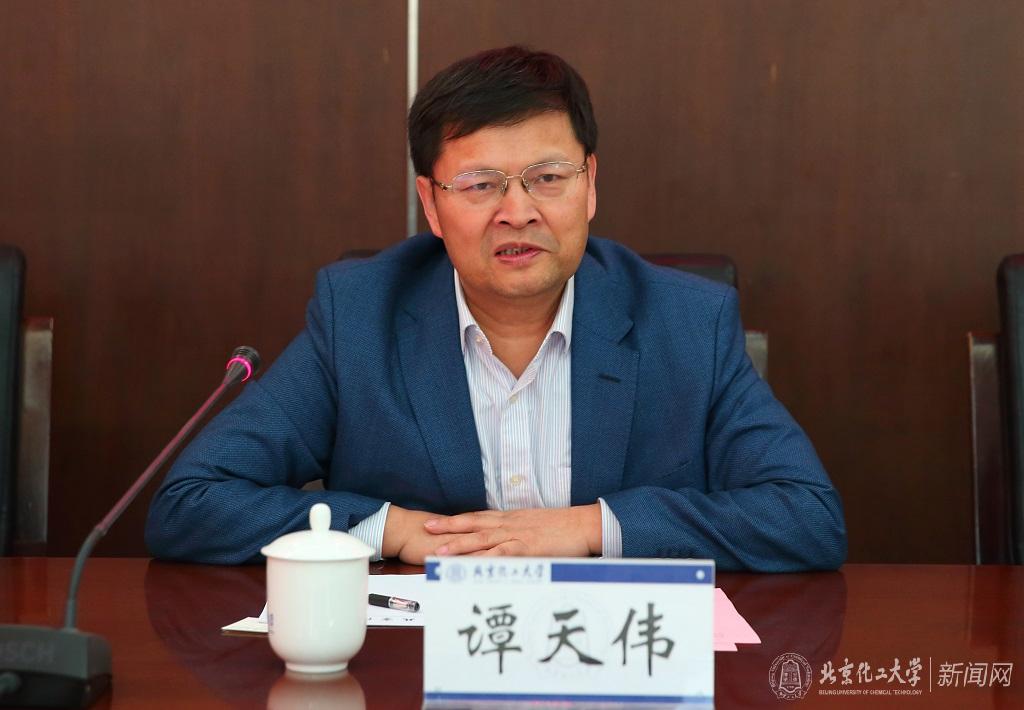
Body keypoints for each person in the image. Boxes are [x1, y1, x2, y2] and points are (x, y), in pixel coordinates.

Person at [146, 46, 846, 572]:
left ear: (590, 184)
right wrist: (393, 529)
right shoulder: (359, 317)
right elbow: (191, 502)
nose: (518, 212)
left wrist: (591, 528)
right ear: (431, 204)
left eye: (547, 177)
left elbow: (807, 517)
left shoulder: (688, 323)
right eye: (481, 184)